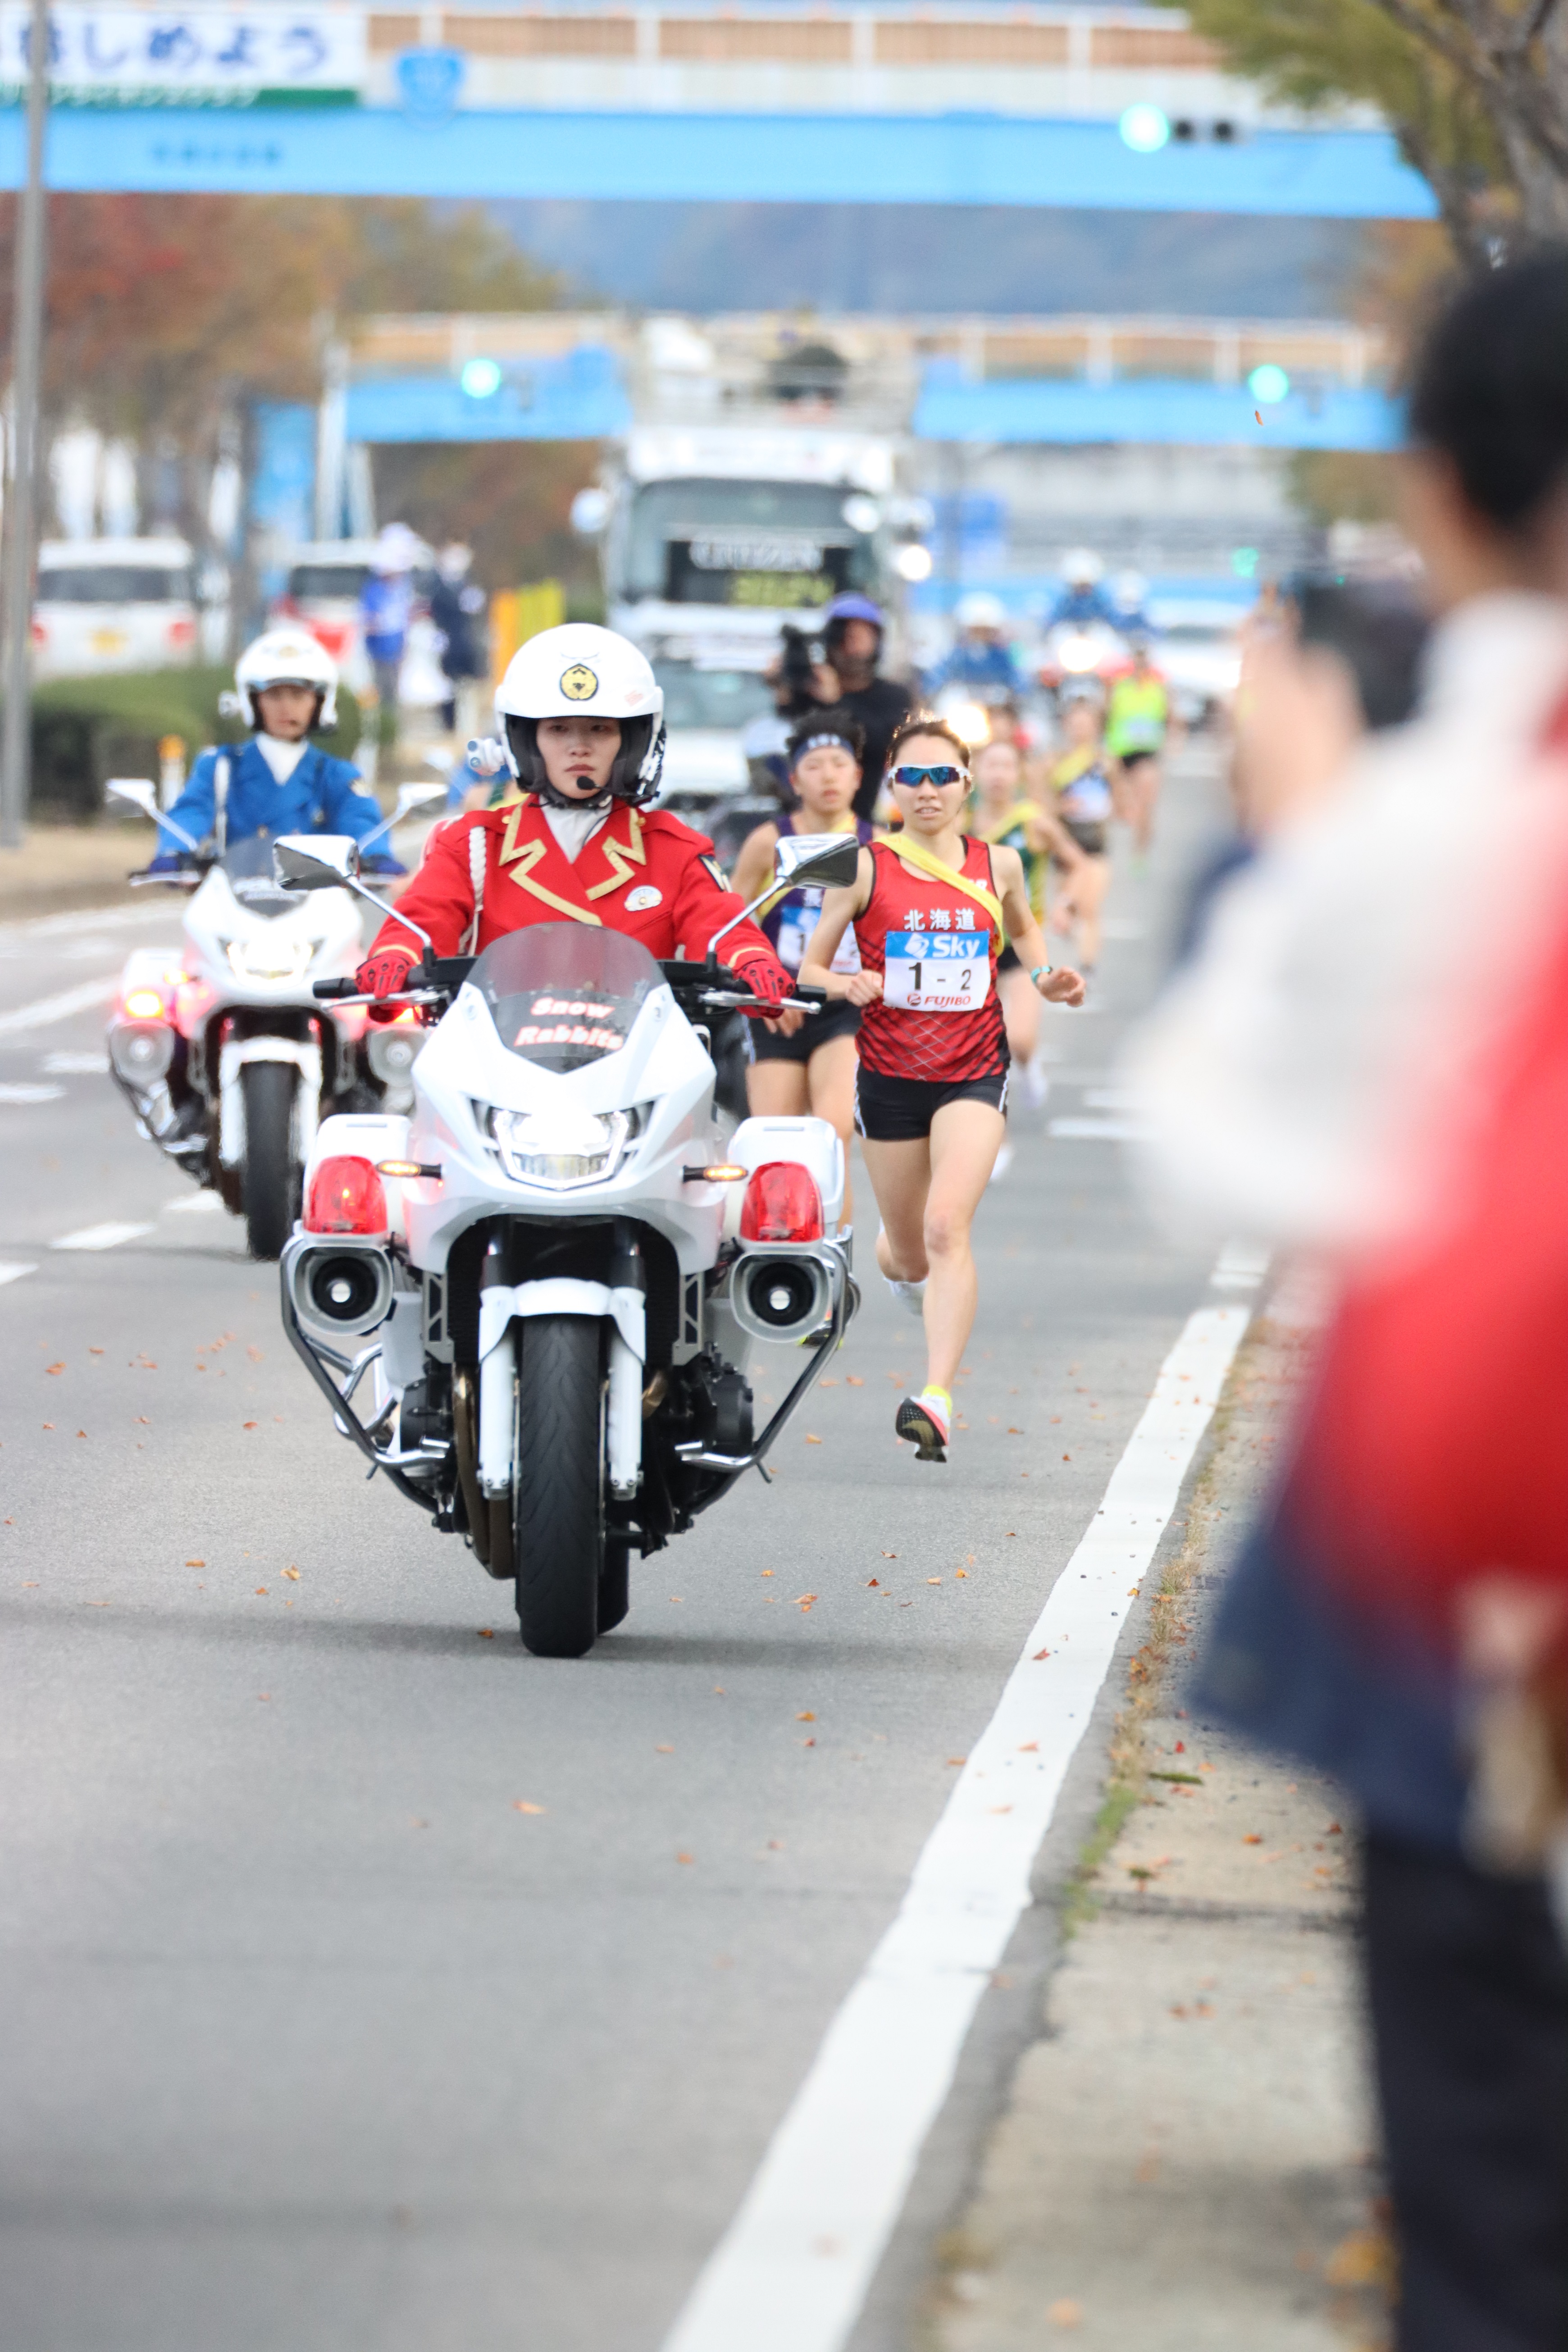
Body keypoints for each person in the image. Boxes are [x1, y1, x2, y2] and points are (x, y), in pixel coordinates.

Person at [1125, 248, 1568, 2352]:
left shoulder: (1437, 819)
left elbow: (1219, 1132)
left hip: (1480, 1600)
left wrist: (1273, 835)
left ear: (1443, 498)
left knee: (1490, 2192)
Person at [798, 715, 1084, 1462]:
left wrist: (1049, 976)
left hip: (973, 1072)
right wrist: (846, 982)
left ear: (964, 783)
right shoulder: (861, 866)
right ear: (893, 785)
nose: (928, 791)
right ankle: (903, 1275)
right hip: (890, 1081)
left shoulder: (1002, 863)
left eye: (942, 777)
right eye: (912, 777)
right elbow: (808, 970)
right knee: (908, 1253)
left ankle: (936, 1397)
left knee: (946, 1225)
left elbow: (1023, 932)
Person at [355, 623, 794, 1016]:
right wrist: (396, 957)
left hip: (633, 1076)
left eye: (600, 729)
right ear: (527, 740)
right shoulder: (473, 844)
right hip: (500, 1072)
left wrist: (752, 961)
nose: (578, 747)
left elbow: (720, 927)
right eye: (559, 729)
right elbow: (422, 921)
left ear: (632, 742)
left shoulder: (674, 849)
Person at [729, 715, 874, 1226]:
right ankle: (780, 1257)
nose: (828, 776)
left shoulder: (878, 845)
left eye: (840, 764)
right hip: (777, 1007)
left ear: (858, 776)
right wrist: (758, 983)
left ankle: (837, 1259)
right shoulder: (768, 841)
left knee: (832, 1132)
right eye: (814, 766)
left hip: (844, 1009)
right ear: (794, 781)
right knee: (774, 1144)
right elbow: (730, 922)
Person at [148, 626, 402, 876]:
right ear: (253, 700)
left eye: (298, 695)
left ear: (320, 702)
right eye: (274, 694)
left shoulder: (337, 773)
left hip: (318, 905)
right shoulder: (220, 766)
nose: (287, 707)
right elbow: (191, 811)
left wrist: (376, 856)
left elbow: (361, 820)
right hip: (234, 900)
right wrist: (173, 851)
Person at [970, 733, 1088, 1082]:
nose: (998, 775)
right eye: (991, 766)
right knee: (979, 1045)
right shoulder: (959, 821)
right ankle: (991, 1119)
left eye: (1007, 767)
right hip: (971, 945)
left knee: (1019, 1039)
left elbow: (1078, 865)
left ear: (1019, 774)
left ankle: (1027, 1061)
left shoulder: (1032, 821)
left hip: (1021, 942)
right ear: (975, 770)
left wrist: (1065, 905)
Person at [808, 592, 912, 821]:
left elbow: (877, 742)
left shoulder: (893, 696)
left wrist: (837, 702)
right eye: (845, 636)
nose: (853, 645)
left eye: (862, 636)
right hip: (810, 818)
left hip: (867, 817)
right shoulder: (811, 690)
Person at [1045, 693, 1116, 980]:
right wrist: (1061, 806)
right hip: (1065, 842)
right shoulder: (1053, 762)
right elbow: (1041, 804)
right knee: (1074, 905)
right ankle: (1068, 918)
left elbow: (1120, 800)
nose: (1081, 730)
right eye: (1075, 724)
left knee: (1091, 904)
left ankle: (1087, 965)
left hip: (1095, 841)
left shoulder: (1105, 762)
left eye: (1087, 724)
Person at [1104, 633, 1174, 859]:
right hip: (1120, 753)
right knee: (1117, 808)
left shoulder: (1158, 688)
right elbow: (1105, 715)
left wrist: (1174, 741)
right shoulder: (1119, 687)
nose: (1140, 664)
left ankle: (1140, 853)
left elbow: (1171, 717)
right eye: (1137, 659)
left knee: (1146, 804)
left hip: (1147, 753)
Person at [360, 526, 418, 750]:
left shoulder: (402, 588)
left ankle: (392, 736)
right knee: (383, 697)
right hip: (379, 651)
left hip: (397, 649)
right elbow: (368, 620)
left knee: (394, 696)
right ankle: (384, 737)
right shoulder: (374, 589)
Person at [429, 543, 488, 738]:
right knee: (448, 690)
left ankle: (467, 730)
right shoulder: (439, 588)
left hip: (467, 646)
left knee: (468, 689)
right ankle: (449, 728)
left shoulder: (467, 585)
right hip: (448, 647)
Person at [929, 591, 1023, 702]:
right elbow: (939, 674)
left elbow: (1016, 677)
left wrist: (1018, 694)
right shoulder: (958, 655)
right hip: (963, 707)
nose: (981, 635)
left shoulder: (1001, 656)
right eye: (976, 630)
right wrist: (933, 691)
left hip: (994, 709)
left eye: (986, 631)